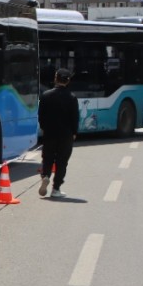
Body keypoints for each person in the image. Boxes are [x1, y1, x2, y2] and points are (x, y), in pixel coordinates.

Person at [38, 67, 79, 198]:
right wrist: (74, 132)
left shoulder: (45, 96)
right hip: (66, 135)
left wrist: (45, 128)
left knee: (47, 158)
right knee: (62, 161)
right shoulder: (72, 98)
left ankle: (45, 176)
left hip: (49, 133)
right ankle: (56, 189)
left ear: (55, 79)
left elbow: (41, 116)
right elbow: (75, 118)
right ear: (68, 81)